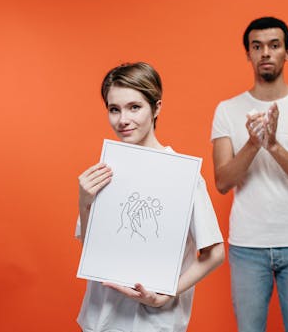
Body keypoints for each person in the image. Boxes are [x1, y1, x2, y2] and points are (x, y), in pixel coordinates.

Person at [75, 62, 225, 332]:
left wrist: (165, 294)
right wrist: (84, 202)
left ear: (156, 108)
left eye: (134, 107)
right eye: (114, 109)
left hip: (154, 323)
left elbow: (215, 253)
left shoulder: (182, 174)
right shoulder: (105, 170)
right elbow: (92, 249)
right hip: (101, 319)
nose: (123, 120)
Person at [211, 17, 288, 332]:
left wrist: (274, 145)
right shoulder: (227, 109)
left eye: (274, 45)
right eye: (257, 46)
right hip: (247, 244)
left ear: (287, 53)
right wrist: (254, 143)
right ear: (249, 55)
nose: (265, 52)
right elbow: (223, 182)